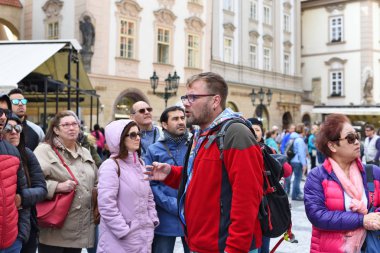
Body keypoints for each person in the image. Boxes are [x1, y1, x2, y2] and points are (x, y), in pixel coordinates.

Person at [145, 72, 264, 253]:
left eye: (193, 97)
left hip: (224, 246)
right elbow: (204, 181)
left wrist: (235, 249)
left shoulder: (235, 133)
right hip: (202, 244)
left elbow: (247, 199)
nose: (185, 102)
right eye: (186, 97)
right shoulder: (203, 134)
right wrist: (172, 174)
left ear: (215, 101)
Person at [304, 114, 380, 253]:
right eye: (350, 138)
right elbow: (317, 215)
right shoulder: (317, 176)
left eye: (357, 136)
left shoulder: (373, 172)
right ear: (332, 146)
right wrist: (362, 220)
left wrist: (375, 218)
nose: (357, 141)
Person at [34, 110, 97, 253]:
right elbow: (32, 182)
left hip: (79, 230)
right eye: (66, 125)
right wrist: (56, 187)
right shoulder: (44, 150)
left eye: (75, 124)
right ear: (56, 130)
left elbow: (96, 180)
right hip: (54, 229)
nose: (72, 128)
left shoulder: (85, 152)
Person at [97, 119, 159, 252]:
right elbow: (106, 205)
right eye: (132, 135)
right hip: (119, 240)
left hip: (143, 237)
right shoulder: (110, 166)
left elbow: (148, 197)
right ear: (119, 138)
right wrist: (124, 230)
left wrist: (152, 219)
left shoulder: (140, 163)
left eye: (138, 134)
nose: (137, 138)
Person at [143, 106, 190, 253]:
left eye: (182, 118)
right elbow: (150, 184)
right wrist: (173, 204)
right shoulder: (153, 150)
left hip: (191, 217)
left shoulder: (194, 146)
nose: (181, 122)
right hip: (164, 218)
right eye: (175, 119)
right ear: (164, 124)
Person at [2, 113, 47, 253]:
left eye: (18, 128)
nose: (14, 132)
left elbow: (42, 189)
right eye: (8, 128)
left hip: (25, 227)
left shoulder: (27, 154)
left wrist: (21, 198)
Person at [0, 94, 30, 253]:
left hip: (11, 242)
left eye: (5, 111)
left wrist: (21, 235)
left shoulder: (12, 151)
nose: (3, 116)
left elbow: (22, 193)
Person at [287, 123, 307, 201]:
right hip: (298, 161)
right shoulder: (300, 140)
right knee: (297, 178)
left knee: (293, 178)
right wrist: (304, 164)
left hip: (292, 160)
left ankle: (295, 192)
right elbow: (301, 153)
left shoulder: (292, 138)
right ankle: (295, 195)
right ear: (302, 131)